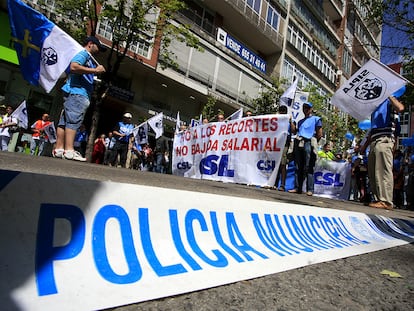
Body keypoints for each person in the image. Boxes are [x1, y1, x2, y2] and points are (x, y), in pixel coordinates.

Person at [52, 36, 106, 161]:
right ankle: (69, 150)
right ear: (90, 44)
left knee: (64, 121)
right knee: (73, 120)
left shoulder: (83, 55)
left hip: (73, 91)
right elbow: (74, 67)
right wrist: (95, 70)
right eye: (97, 47)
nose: (98, 51)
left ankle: (59, 148)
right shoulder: (84, 54)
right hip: (78, 92)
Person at [365, 95, 404, 210]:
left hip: (385, 138)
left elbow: (400, 108)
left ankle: (386, 201)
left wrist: (389, 95)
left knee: (383, 170)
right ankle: (378, 198)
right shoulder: (376, 104)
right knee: (373, 171)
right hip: (375, 138)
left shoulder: (390, 101)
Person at [289, 102, 322, 196]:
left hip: (309, 143)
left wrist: (314, 142)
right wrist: (291, 122)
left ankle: (310, 189)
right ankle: (297, 188)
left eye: (308, 108)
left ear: (311, 109)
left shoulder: (316, 119)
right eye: (304, 108)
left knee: (309, 166)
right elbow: (294, 131)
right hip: (299, 142)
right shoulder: (300, 121)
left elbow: (319, 133)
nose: (306, 109)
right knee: (298, 166)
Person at [276, 105, 295, 191]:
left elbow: (294, 130)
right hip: (276, 144)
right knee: (275, 164)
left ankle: (282, 185)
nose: (282, 112)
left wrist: (290, 121)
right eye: (281, 111)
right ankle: (274, 183)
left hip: (284, 144)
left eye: (284, 111)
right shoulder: (276, 120)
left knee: (283, 164)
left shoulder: (288, 121)